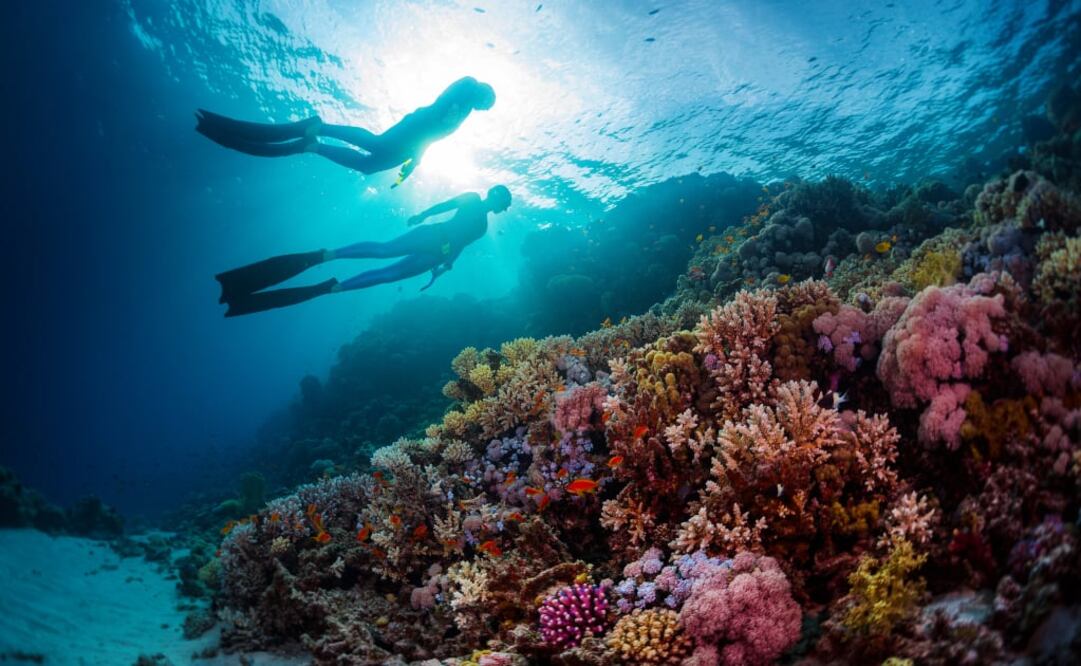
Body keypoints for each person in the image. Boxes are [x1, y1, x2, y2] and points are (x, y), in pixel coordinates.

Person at [215, 185, 512, 316]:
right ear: (497, 197)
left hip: (435, 254)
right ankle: (329, 254)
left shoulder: (483, 228)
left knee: (387, 274)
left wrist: (443, 267)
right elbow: (445, 206)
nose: (501, 208)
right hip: (431, 235)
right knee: (383, 251)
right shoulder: (472, 199)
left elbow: (459, 248)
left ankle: (335, 287)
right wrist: (422, 215)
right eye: (504, 203)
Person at [195, 76, 495, 187]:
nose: (482, 108)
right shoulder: (467, 89)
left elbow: (435, 136)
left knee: (369, 165)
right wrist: (417, 151)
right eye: (485, 104)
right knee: (376, 146)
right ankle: (319, 128)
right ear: (483, 94)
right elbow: (439, 111)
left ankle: (313, 144)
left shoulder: (465, 112)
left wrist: (414, 162)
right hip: (412, 130)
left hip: (414, 144)